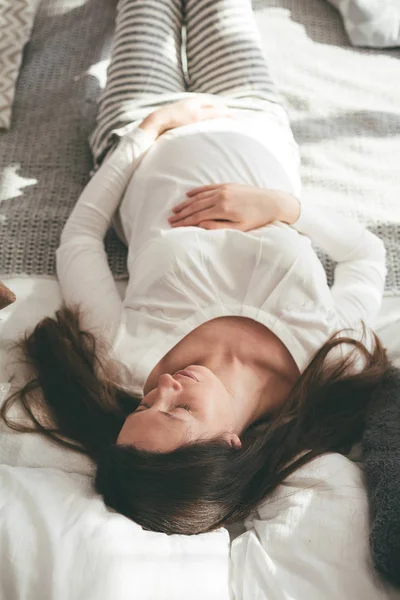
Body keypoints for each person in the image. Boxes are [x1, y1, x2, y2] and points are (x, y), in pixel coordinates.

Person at [1, 0, 389, 535]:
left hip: (141, 122)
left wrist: (147, 131)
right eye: (177, 410)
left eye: (142, 408)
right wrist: (283, 209)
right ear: (231, 444)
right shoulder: (329, 357)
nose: (161, 390)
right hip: (256, 124)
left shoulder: (126, 359)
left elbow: (80, 240)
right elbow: (366, 254)